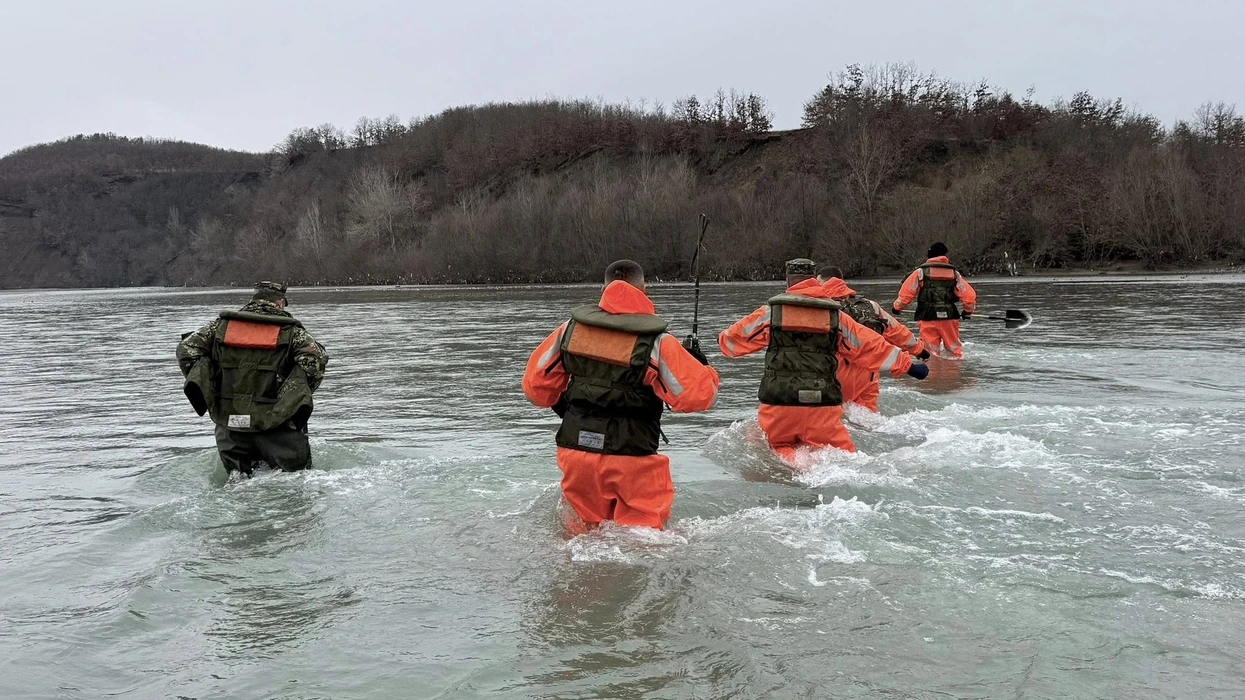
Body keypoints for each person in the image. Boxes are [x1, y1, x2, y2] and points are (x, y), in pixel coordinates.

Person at [521, 260, 720, 531]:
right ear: (644, 289)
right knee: (643, 541)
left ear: (602, 290)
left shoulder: (569, 331)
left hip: (577, 454)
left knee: (579, 535)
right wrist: (701, 366)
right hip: (633, 458)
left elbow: (535, 388)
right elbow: (699, 397)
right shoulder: (657, 342)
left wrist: (567, 405)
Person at [718, 259, 927, 460]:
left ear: (788, 281)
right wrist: (908, 365)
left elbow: (730, 343)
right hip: (822, 405)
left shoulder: (770, 314)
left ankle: (796, 462)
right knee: (845, 459)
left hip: (779, 403)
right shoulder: (837, 317)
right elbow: (870, 345)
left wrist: (719, 340)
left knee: (772, 446)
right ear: (813, 280)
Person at [177, 281, 329, 477]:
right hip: (279, 426)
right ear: (280, 303)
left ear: (253, 299)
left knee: (238, 484)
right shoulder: (293, 333)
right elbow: (316, 360)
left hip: (231, 428)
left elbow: (186, 349)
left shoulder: (219, 327)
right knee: (292, 482)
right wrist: (290, 397)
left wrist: (212, 387)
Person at [817, 265, 930, 413]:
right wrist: (920, 350)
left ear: (821, 282)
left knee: (834, 416)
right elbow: (896, 331)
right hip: (869, 372)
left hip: (836, 371)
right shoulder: (870, 305)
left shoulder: (819, 308)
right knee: (868, 418)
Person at [892, 242, 978, 358]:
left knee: (931, 352)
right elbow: (969, 296)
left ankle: (933, 369)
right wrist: (968, 311)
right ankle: (956, 368)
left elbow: (906, 294)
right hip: (950, 316)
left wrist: (897, 308)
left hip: (927, 316)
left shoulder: (920, 272)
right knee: (955, 351)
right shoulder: (954, 274)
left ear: (929, 255)